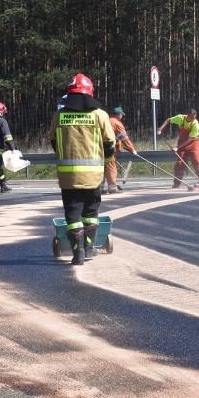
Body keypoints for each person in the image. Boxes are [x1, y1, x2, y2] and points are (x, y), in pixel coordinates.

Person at [49, 74, 116, 265]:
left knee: (72, 215)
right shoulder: (100, 115)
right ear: (90, 94)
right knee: (90, 213)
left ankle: (77, 254)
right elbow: (110, 145)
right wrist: (106, 160)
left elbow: (53, 141)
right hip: (94, 176)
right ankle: (88, 248)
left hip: (68, 177)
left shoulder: (59, 116)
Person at [157, 108, 199, 187]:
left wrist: (177, 147)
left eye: (194, 117)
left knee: (197, 159)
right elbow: (168, 120)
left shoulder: (195, 124)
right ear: (187, 115)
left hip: (193, 143)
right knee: (180, 163)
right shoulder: (180, 118)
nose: (193, 119)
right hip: (182, 143)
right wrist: (160, 129)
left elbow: (189, 139)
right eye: (192, 117)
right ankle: (177, 183)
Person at [103, 107, 138, 193]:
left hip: (99, 148)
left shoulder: (106, 120)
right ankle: (112, 188)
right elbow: (124, 139)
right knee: (111, 166)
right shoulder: (117, 123)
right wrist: (132, 149)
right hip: (109, 148)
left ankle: (100, 188)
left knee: (102, 167)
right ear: (119, 115)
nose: (122, 116)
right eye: (121, 115)